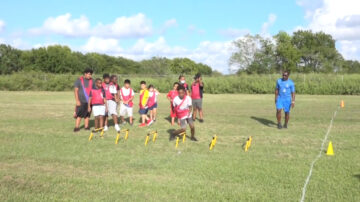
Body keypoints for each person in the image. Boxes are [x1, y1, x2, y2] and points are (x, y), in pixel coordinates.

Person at [73, 68, 95, 132]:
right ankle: (76, 127)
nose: (89, 75)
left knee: (87, 115)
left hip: (89, 101)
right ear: (85, 74)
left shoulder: (93, 81)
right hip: (81, 101)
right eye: (88, 74)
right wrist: (77, 101)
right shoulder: (79, 80)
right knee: (79, 115)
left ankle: (86, 126)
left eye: (90, 74)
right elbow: (76, 91)